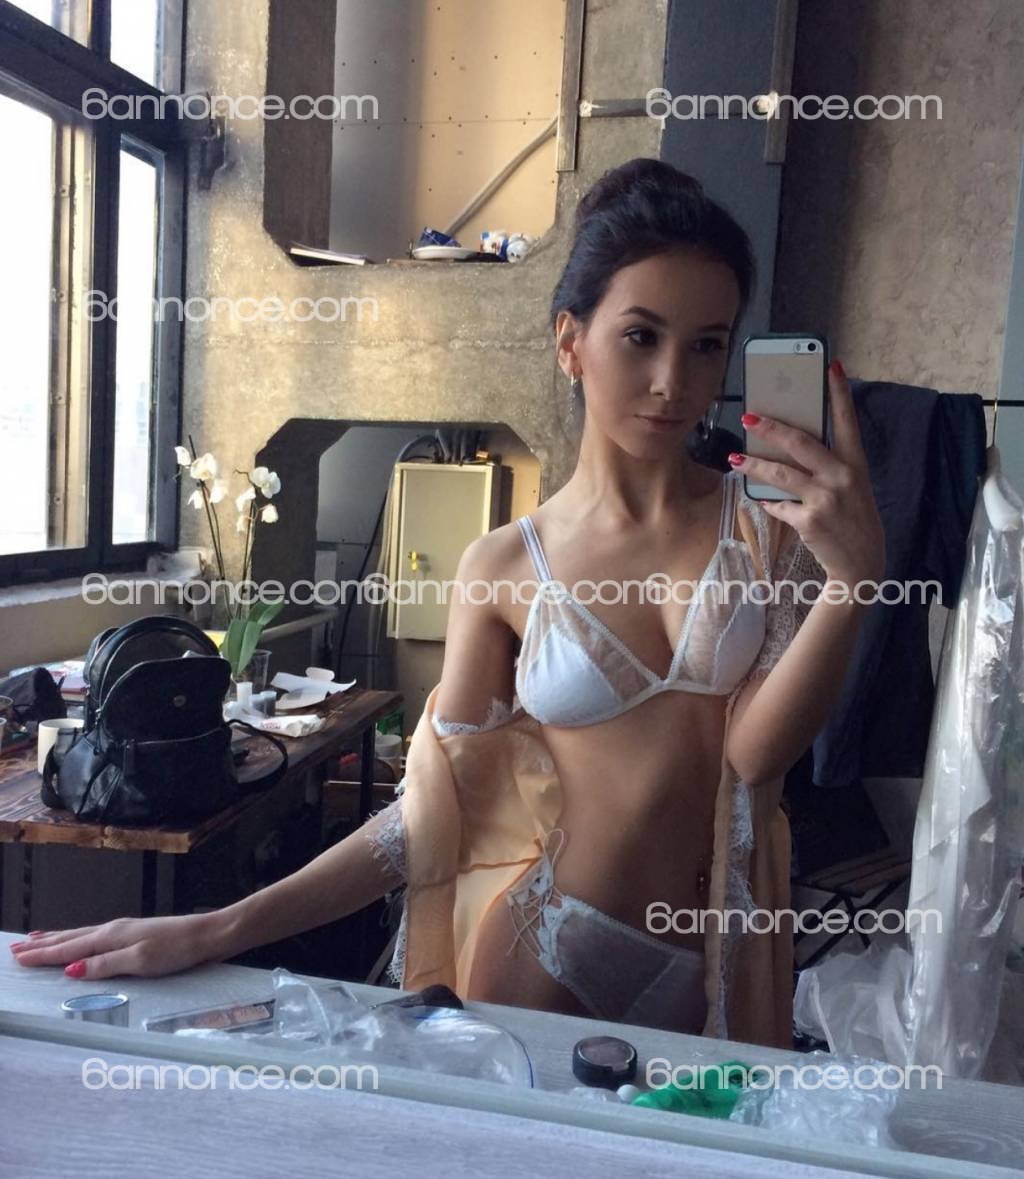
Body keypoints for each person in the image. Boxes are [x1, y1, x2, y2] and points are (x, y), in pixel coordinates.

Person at [9, 159, 883, 1043]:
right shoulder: (502, 565)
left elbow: (753, 754)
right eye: (640, 336)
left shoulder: (766, 527)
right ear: (570, 341)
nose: (673, 381)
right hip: (549, 947)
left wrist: (853, 581)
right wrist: (219, 928)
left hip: (716, 954)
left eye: (706, 344)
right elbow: (432, 813)